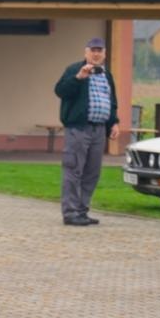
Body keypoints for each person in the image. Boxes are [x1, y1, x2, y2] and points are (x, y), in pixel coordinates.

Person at [53, 36, 120, 226]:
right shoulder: (74, 69)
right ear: (86, 52)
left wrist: (113, 122)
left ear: (105, 54)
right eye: (93, 50)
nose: (96, 53)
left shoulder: (107, 75)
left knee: (92, 172)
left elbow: (112, 101)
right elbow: (60, 91)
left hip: (99, 129)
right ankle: (71, 212)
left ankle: (82, 211)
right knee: (73, 169)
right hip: (78, 128)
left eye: (100, 50)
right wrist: (79, 78)